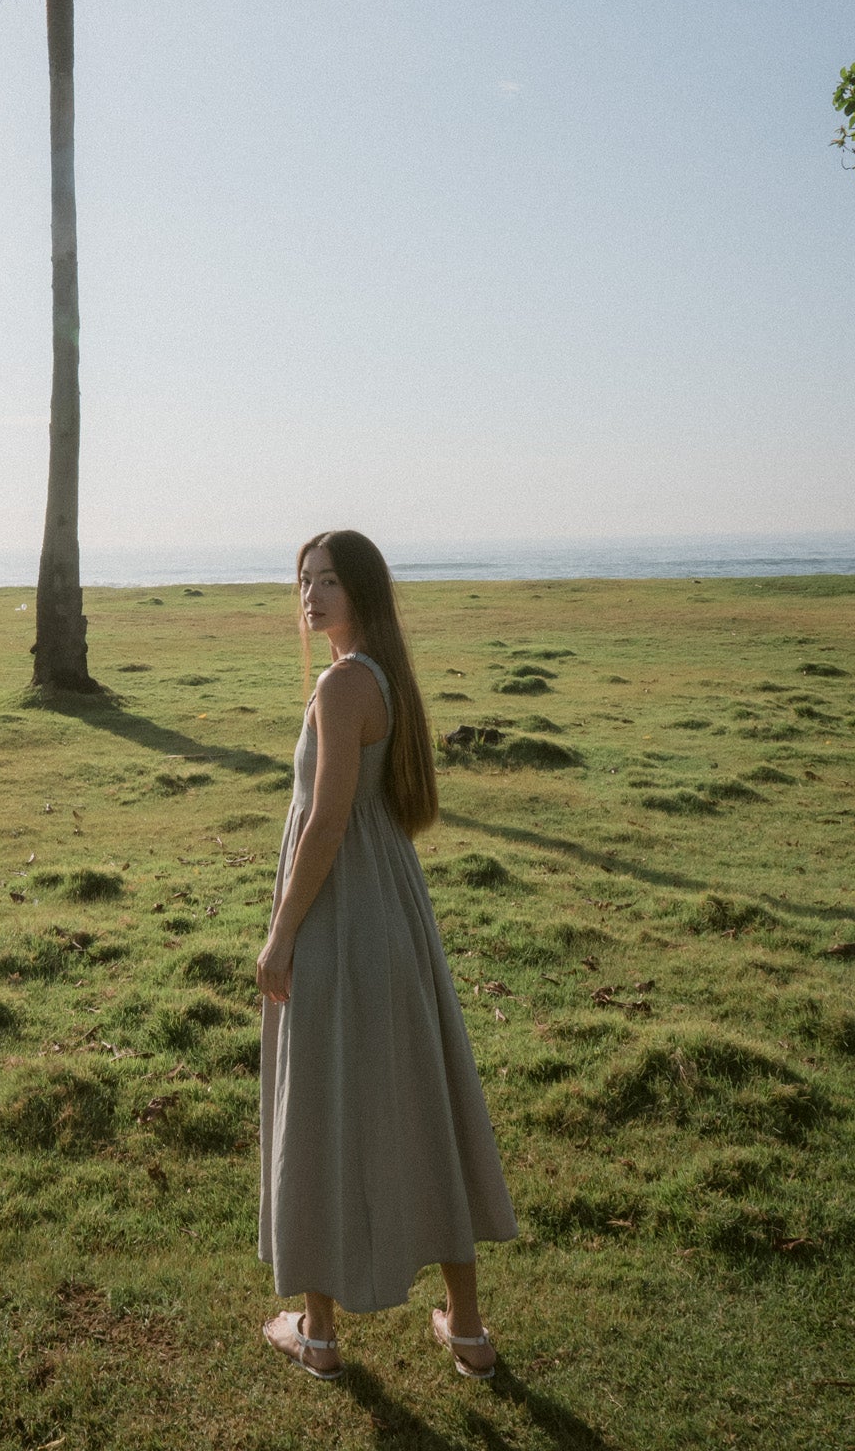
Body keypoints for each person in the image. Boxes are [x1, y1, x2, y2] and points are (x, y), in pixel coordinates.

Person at [257, 530, 517, 1383]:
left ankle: (320, 1338)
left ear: (362, 589)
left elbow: (327, 820)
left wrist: (281, 932)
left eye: (328, 580)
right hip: (393, 913)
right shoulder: (384, 675)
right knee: (422, 1105)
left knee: (322, 1110)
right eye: (303, 581)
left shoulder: (341, 684)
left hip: (339, 919)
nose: (310, 595)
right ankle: (468, 1331)